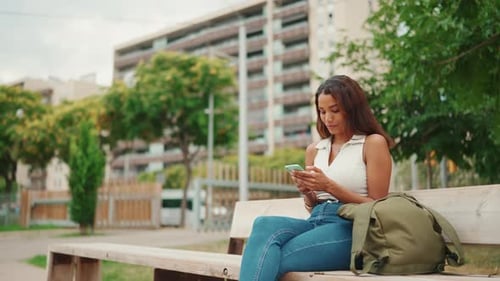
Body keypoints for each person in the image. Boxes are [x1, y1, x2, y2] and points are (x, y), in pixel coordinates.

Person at [239, 75, 394, 281]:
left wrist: (329, 186)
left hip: (352, 229)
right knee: (263, 225)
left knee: (269, 257)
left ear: (353, 108)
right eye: (322, 111)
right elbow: (313, 207)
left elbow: (378, 206)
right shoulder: (315, 149)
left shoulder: (372, 143)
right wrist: (309, 193)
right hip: (316, 221)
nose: (327, 118)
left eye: (335, 110)